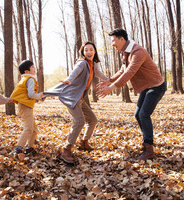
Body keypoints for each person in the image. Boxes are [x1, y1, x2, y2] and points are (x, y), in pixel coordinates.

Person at [97, 28, 166, 161]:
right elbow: (123, 70)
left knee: (143, 114)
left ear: (122, 39)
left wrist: (111, 88)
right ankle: (147, 142)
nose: (112, 44)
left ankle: (149, 149)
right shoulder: (126, 53)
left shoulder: (138, 52)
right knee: (138, 114)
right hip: (147, 88)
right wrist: (109, 80)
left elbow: (129, 72)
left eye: (113, 41)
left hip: (156, 86)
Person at [44, 41, 109, 164]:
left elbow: (98, 73)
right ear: (83, 52)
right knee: (80, 121)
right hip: (72, 97)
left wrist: (110, 80)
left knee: (93, 120)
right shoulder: (82, 63)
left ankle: (84, 142)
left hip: (80, 98)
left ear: (94, 51)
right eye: (86, 50)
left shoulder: (93, 64)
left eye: (91, 49)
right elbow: (74, 72)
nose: (89, 52)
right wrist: (69, 79)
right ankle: (66, 149)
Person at [10, 60, 43, 161]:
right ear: (26, 71)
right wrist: (39, 96)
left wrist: (39, 97)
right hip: (25, 106)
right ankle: (18, 149)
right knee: (29, 128)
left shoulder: (25, 79)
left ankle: (30, 148)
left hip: (25, 106)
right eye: (32, 67)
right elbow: (31, 94)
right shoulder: (30, 79)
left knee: (34, 129)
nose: (34, 69)